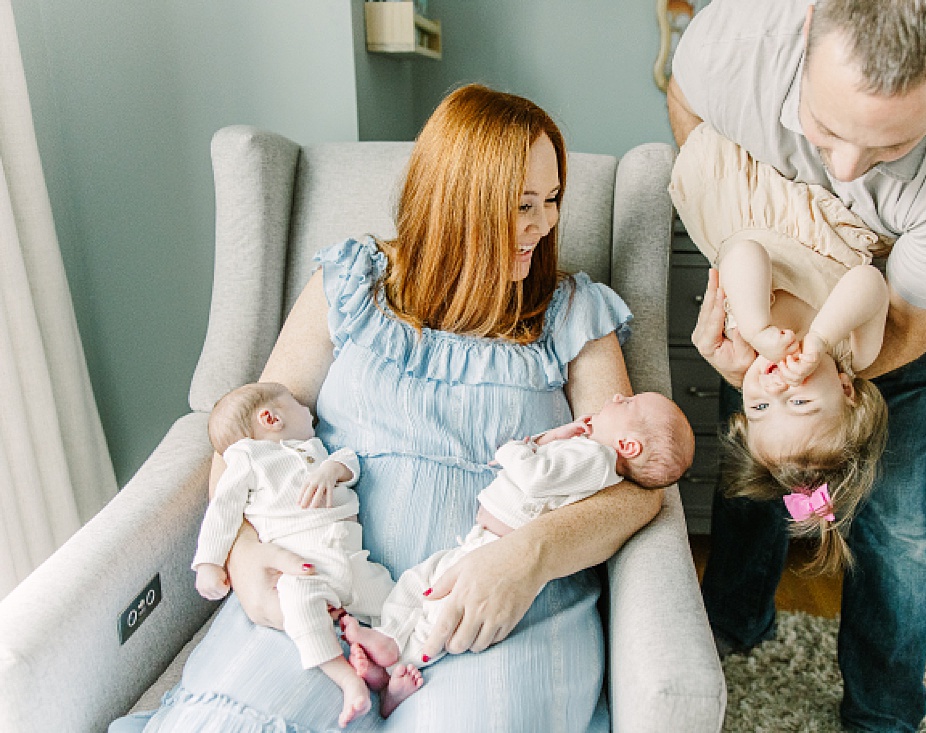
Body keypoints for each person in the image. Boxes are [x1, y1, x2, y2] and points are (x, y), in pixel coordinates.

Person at [113, 83, 662, 732]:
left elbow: (637, 488)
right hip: (325, 577)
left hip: (491, 600)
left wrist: (528, 557)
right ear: (460, 204)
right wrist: (242, 549)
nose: (543, 226)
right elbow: (246, 437)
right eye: (522, 205)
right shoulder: (349, 282)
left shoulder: (574, 313)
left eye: (552, 200)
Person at [667, 0, 926, 730]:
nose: (845, 170)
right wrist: (734, 233)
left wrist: (814, 370)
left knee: (899, 500)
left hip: (898, 300)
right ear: (806, 30)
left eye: (889, 147)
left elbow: (898, 315)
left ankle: (882, 709)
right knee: (766, 468)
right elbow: (691, 115)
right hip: (786, 281)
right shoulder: (743, 35)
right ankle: (733, 617)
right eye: (825, 129)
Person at [670, 126, 890, 575]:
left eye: (760, 406)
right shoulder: (856, 355)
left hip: (742, 195)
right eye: (800, 401)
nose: (775, 387)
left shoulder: (749, 340)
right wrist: (822, 339)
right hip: (812, 211)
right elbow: (870, 284)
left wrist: (757, 324)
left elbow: (745, 251)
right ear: (847, 391)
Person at [372, 391, 694, 692]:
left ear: (628, 446)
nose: (617, 396)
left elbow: (536, 477)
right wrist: (552, 437)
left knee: (443, 609)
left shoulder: (595, 458)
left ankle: (398, 668)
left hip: (494, 548)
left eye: (628, 404)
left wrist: (511, 449)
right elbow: (551, 467)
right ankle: (387, 636)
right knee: (421, 581)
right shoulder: (589, 452)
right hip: (483, 539)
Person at [191, 382, 415, 727]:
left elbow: (348, 463)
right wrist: (208, 563)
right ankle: (346, 678)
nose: (308, 411)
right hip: (306, 568)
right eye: (297, 405)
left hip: (354, 561)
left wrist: (329, 471)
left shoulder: (313, 449)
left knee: (399, 603)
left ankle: (389, 677)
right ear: (270, 417)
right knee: (297, 603)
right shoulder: (249, 457)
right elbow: (223, 509)